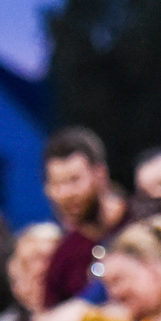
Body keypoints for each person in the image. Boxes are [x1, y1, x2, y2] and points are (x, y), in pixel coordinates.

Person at [40, 127, 131, 309]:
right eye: (57, 184)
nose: (66, 194)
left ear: (100, 175)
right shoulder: (63, 259)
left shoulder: (141, 222)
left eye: (74, 180)